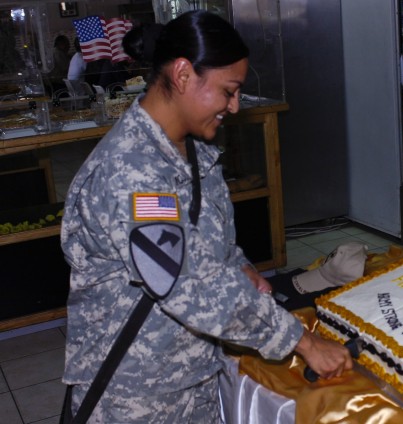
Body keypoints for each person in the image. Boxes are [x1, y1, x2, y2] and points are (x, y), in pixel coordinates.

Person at [60, 11, 352, 422]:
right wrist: (303, 343)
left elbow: (208, 243)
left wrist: (241, 267)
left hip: (192, 371)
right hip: (136, 393)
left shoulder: (191, 150)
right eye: (227, 91)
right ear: (183, 75)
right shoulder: (133, 172)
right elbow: (188, 284)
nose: (234, 106)